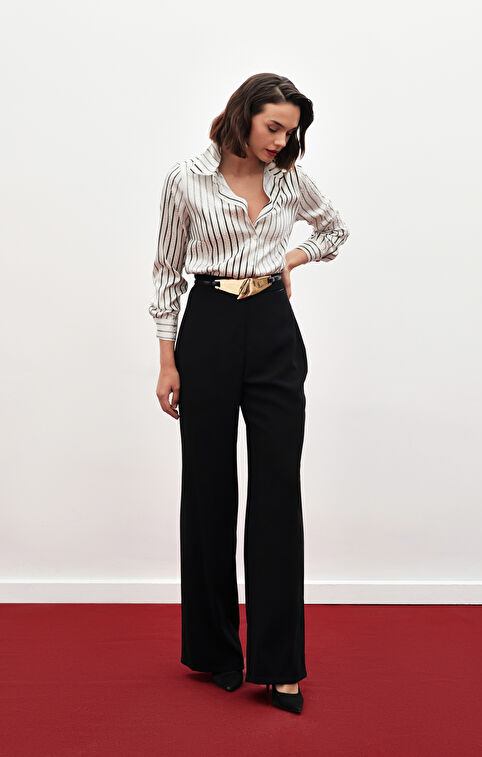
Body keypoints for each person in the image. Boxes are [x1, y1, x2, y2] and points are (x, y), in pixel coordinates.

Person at [148, 72, 350, 714]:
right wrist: (167, 361)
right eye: (274, 127)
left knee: (277, 491)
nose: (281, 141)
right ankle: (215, 650)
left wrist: (292, 258)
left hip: (271, 328)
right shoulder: (186, 179)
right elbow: (165, 270)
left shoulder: (290, 180)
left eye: (291, 131)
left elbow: (334, 230)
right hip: (206, 324)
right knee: (208, 487)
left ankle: (280, 663)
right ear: (244, 115)